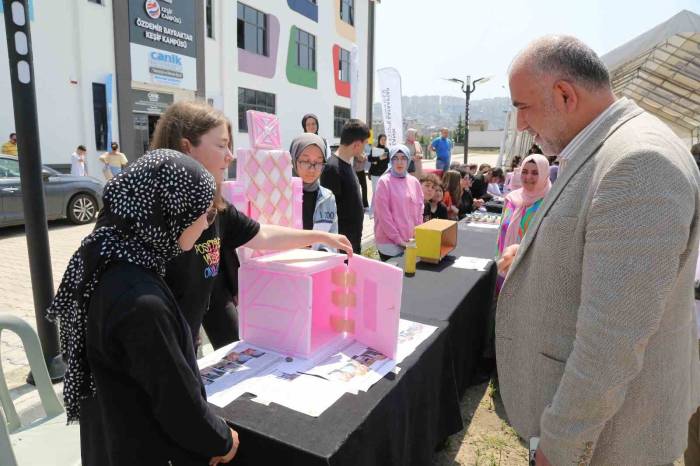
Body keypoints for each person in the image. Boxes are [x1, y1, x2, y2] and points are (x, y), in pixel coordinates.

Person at [496, 35, 700, 465]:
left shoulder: (638, 163)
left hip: (610, 445)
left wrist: (560, 445)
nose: (520, 126)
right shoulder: (605, 150)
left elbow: (612, 342)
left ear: (565, 94)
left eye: (522, 107)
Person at [47, 149, 239, 465]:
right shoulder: (141, 302)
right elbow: (177, 404)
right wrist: (221, 439)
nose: (207, 225)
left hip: (111, 439)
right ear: (171, 214)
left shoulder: (109, 256)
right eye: (205, 214)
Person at [142, 101, 352, 351]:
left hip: (194, 324)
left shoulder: (217, 207)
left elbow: (260, 233)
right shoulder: (146, 216)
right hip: (157, 342)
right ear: (186, 148)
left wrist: (322, 236)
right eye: (222, 146)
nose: (230, 156)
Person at [496, 154, 550, 292]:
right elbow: (500, 235)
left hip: (531, 275)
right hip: (504, 268)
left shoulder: (550, 202)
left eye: (535, 173)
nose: (528, 177)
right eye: (524, 172)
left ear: (544, 174)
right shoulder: (511, 199)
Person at [321, 119, 369, 254]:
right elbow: (328, 213)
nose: (364, 148)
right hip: (340, 247)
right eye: (364, 144)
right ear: (357, 145)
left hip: (352, 242)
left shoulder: (347, 163)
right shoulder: (332, 168)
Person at [372, 145, 423, 261]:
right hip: (389, 243)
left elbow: (420, 209)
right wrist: (399, 240)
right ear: (390, 160)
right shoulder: (384, 182)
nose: (399, 162)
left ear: (408, 160)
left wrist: (417, 233)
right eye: (395, 158)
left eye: (403, 158)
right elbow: (384, 216)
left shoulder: (414, 181)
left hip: (410, 240)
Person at [290, 133, 338, 250]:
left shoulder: (328, 197)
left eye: (318, 162)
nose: (312, 169)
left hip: (318, 265)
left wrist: (321, 255)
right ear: (293, 159)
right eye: (306, 161)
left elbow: (332, 237)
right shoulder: (282, 195)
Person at [352, 143, 369, 210]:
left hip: (361, 171)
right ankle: (357, 204)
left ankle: (365, 205)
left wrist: (363, 157)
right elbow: (361, 158)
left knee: (364, 187)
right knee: (356, 188)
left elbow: (365, 158)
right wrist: (362, 157)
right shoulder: (355, 149)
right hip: (355, 171)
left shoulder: (362, 149)